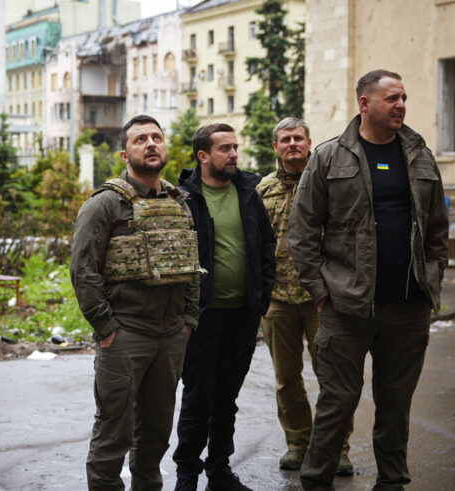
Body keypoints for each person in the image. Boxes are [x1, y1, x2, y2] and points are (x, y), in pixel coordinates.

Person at [289, 69, 449, 489]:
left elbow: (436, 230)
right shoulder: (328, 157)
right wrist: (323, 295)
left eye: (404, 97)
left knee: (396, 406)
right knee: (337, 404)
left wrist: (430, 280)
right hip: (347, 308)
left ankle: (392, 482)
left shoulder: (419, 155)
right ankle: (316, 481)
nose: (401, 105)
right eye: (392, 98)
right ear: (365, 103)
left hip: (408, 307)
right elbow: (302, 233)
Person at [71, 114, 201, 490]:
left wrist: (187, 322)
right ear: (125, 153)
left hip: (170, 335)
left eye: (156, 137)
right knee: (115, 431)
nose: (151, 144)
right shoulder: (105, 204)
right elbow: (83, 269)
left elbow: (192, 266)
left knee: (158, 433)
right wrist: (107, 329)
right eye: (140, 139)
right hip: (125, 334)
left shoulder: (179, 202)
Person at [174, 123, 276, 491]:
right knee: (198, 397)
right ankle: (186, 476)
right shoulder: (183, 197)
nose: (233, 154)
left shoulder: (248, 192)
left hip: (242, 316)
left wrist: (261, 297)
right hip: (202, 317)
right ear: (203, 156)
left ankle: (219, 471)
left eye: (235, 147)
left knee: (226, 398)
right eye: (225, 148)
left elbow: (266, 245)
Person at [256, 118, 354, 475]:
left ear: (310, 142)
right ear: (276, 147)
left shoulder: (328, 182)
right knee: (286, 379)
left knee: (333, 378)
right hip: (278, 298)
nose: (293, 144)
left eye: (298, 138)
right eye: (285, 139)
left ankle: (337, 449)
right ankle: (298, 443)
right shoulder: (263, 190)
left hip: (323, 297)